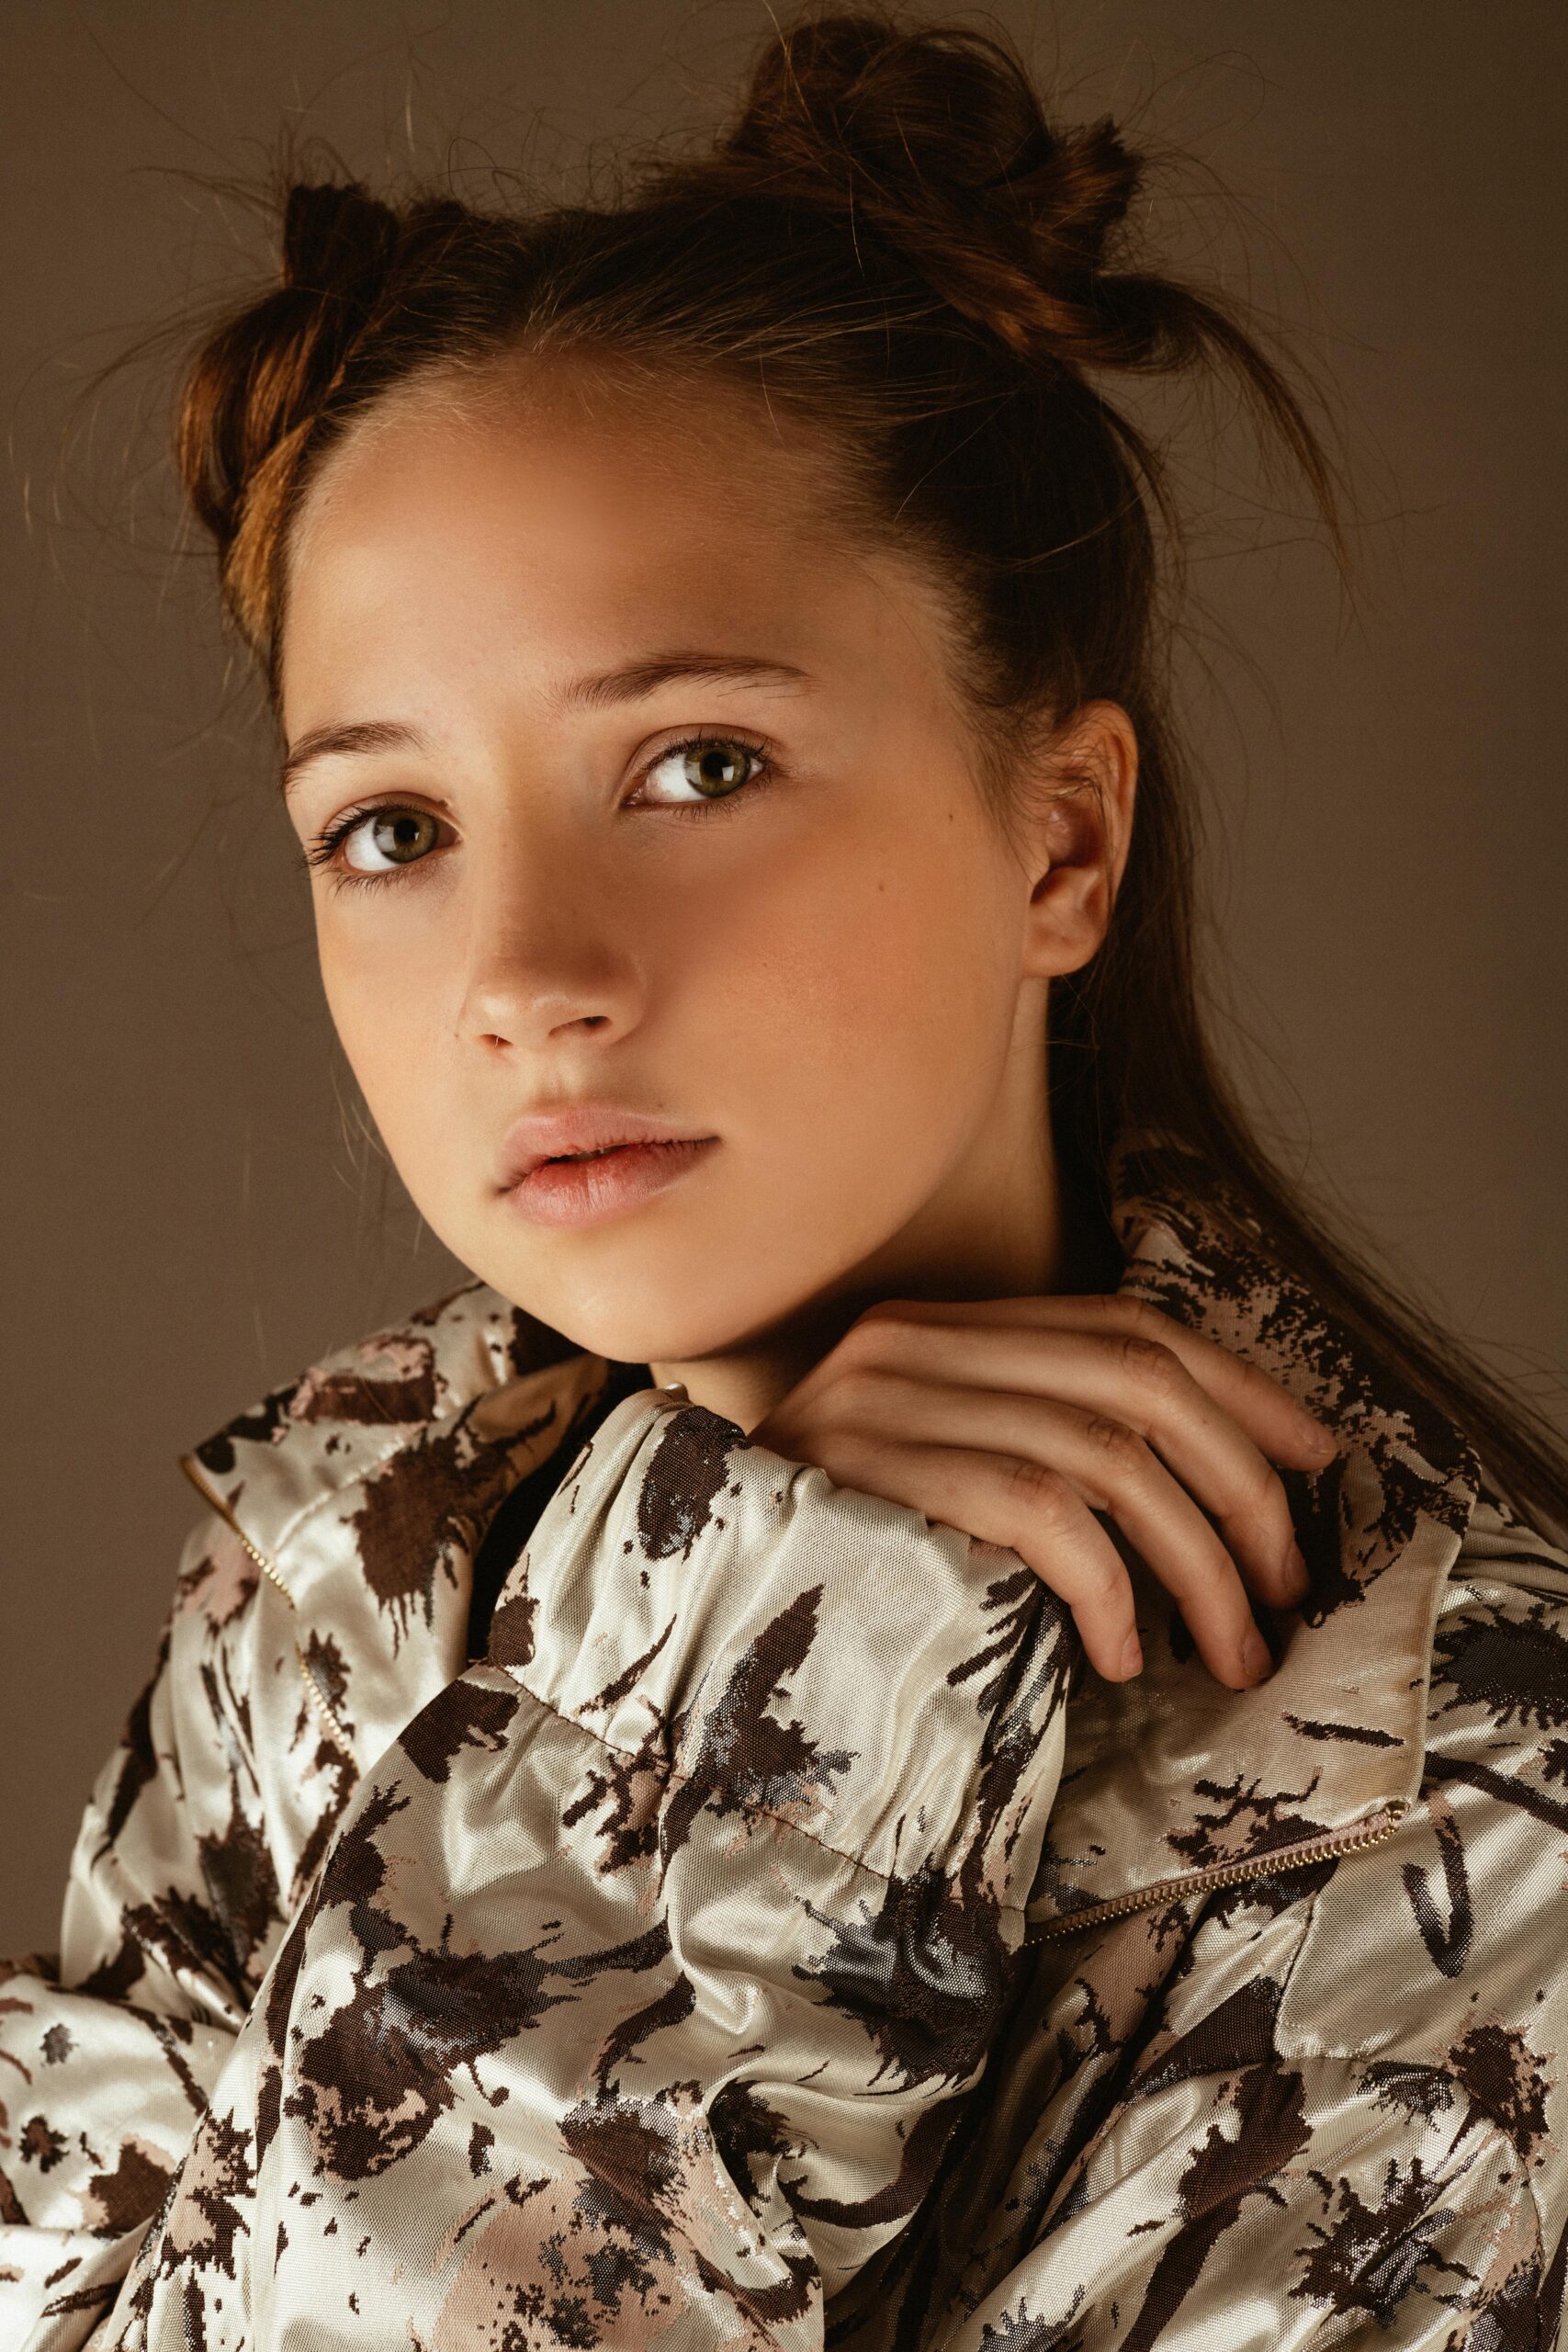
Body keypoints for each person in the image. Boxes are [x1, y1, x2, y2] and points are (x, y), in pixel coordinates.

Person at [4, 12, 1565, 2347]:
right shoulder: (345, 1544)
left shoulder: (1455, 1817)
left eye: (698, 761)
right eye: (392, 829)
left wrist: (766, 1718)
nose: (526, 975)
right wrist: (713, 1626)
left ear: (1061, 834)